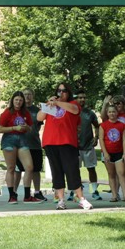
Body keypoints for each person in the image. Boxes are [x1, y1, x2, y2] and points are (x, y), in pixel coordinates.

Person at [37, 82, 92, 210]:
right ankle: (60, 200)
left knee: (72, 170)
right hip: (50, 141)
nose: (61, 93)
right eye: (59, 91)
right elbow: (40, 118)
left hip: (67, 141)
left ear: (69, 93)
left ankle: (81, 198)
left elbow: (75, 110)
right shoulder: (52, 103)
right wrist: (49, 102)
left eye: (64, 91)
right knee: (57, 172)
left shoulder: (73, 104)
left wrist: (57, 103)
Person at [0, 90, 36, 203]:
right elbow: (0, 129)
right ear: (12, 101)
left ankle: (27, 195)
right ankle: (12, 195)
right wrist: (14, 128)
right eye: (16, 100)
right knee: (11, 168)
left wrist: (26, 127)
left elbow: (31, 128)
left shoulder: (26, 113)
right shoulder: (7, 112)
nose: (18, 102)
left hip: (23, 139)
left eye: (20, 100)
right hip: (9, 140)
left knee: (29, 167)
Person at [13, 88, 46, 201]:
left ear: (33, 96)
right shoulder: (17, 110)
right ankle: (14, 192)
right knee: (18, 170)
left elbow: (38, 125)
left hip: (35, 144)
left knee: (36, 169)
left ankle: (37, 192)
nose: (27, 96)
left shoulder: (37, 110)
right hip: (20, 144)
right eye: (25, 94)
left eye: (29, 94)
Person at [99, 103, 125, 202]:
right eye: (110, 112)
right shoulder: (103, 125)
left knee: (121, 173)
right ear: (107, 113)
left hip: (119, 153)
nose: (112, 114)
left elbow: (124, 140)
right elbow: (101, 139)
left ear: (117, 113)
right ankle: (114, 195)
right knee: (111, 174)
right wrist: (105, 153)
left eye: (114, 112)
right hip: (108, 153)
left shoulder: (122, 125)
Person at [73, 90, 100, 201]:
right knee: (74, 170)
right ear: (76, 99)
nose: (82, 99)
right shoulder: (72, 111)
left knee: (91, 168)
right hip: (75, 146)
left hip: (88, 145)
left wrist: (96, 137)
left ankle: (94, 190)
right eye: (79, 97)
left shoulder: (90, 113)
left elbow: (97, 126)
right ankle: (75, 190)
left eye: (84, 97)